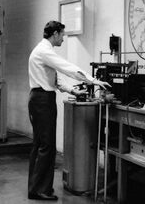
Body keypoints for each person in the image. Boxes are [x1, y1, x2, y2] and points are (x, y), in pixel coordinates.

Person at [27, 20, 111, 201]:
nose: (63, 39)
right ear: (55, 34)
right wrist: (93, 80)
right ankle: (40, 190)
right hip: (42, 101)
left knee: (40, 144)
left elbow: (54, 79)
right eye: (62, 35)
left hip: (39, 98)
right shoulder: (45, 51)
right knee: (47, 145)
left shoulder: (42, 51)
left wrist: (73, 90)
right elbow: (68, 68)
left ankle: (36, 187)